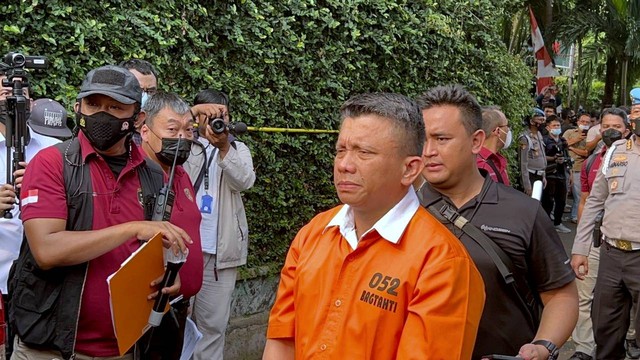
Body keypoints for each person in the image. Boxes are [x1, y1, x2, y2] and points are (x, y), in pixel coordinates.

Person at [263, 92, 485, 359]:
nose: (344, 165)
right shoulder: (313, 234)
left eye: (364, 153)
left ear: (410, 169)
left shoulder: (442, 262)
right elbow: (282, 340)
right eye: (340, 150)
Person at [9, 65, 191, 360]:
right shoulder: (52, 164)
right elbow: (46, 249)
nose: (101, 115)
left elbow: (151, 247)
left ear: (137, 117)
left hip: (124, 348)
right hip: (50, 349)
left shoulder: (152, 176)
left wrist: (167, 274)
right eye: (93, 104)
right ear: (77, 106)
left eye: (115, 107)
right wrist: (133, 228)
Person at [417, 84, 577, 360]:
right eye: (422, 139)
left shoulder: (522, 212)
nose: (428, 150)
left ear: (476, 141)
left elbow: (561, 295)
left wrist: (543, 346)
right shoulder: (400, 213)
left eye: (442, 139)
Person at [183, 89, 255, 360]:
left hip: (220, 254)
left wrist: (223, 147)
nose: (214, 120)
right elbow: (179, 177)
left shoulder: (237, 148)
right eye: (207, 114)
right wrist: (192, 131)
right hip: (183, 249)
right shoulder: (184, 145)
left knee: (213, 326)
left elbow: (245, 181)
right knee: (175, 321)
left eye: (220, 114)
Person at [570, 105, 640, 359]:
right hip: (610, 254)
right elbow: (594, 203)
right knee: (606, 328)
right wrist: (580, 248)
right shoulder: (615, 152)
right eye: (635, 115)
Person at [0, 74, 62, 358]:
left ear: (31, 101)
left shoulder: (54, 150)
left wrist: (43, 185)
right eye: (3, 88)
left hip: (39, 281)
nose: (11, 96)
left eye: (18, 88)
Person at [138, 92, 203, 359]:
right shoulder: (136, 177)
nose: (182, 138)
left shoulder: (181, 173)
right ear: (145, 130)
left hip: (178, 309)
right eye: (173, 129)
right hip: (150, 310)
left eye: (188, 130)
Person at [542, 115, 572, 234]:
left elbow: (567, 157)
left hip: (562, 173)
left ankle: (558, 223)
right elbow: (541, 157)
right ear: (548, 127)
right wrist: (553, 159)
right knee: (547, 201)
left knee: (561, 200)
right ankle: (546, 224)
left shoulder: (563, 141)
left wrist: (569, 173)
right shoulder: (544, 140)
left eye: (558, 125)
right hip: (549, 173)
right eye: (554, 125)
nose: (556, 128)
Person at [120, 59, 158, 145]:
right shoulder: (114, 130)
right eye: (138, 90)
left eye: (150, 91)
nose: (144, 97)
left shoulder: (159, 131)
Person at [563, 113, 591, 223]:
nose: (584, 124)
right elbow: (562, 144)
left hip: (578, 168)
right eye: (582, 121)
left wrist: (572, 149)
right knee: (563, 193)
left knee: (578, 195)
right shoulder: (569, 132)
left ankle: (575, 216)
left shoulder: (590, 137)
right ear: (578, 122)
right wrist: (576, 140)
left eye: (587, 122)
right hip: (564, 166)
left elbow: (586, 153)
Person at [476, 106, 511, 185]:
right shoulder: (480, 167)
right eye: (506, 126)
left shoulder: (497, 160)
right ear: (498, 131)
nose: (508, 130)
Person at [518, 108, 547, 196]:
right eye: (540, 120)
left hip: (540, 175)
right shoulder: (525, 138)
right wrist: (527, 185)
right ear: (531, 121)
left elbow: (542, 156)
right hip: (531, 176)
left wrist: (543, 176)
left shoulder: (539, 134)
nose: (542, 123)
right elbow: (523, 163)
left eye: (543, 120)